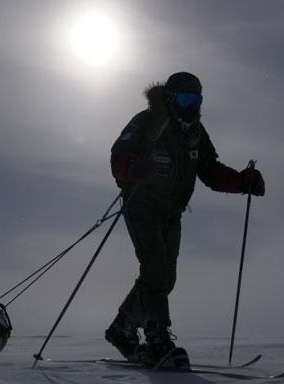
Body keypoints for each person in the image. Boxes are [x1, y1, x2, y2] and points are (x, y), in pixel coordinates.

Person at [107, 72, 265, 369]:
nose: (192, 106)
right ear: (170, 98)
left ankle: (122, 329)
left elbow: (210, 170)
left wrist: (243, 181)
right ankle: (157, 339)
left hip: (171, 212)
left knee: (165, 277)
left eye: (197, 100)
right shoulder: (147, 121)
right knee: (155, 268)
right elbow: (119, 156)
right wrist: (133, 168)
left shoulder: (195, 132)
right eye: (185, 99)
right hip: (142, 204)